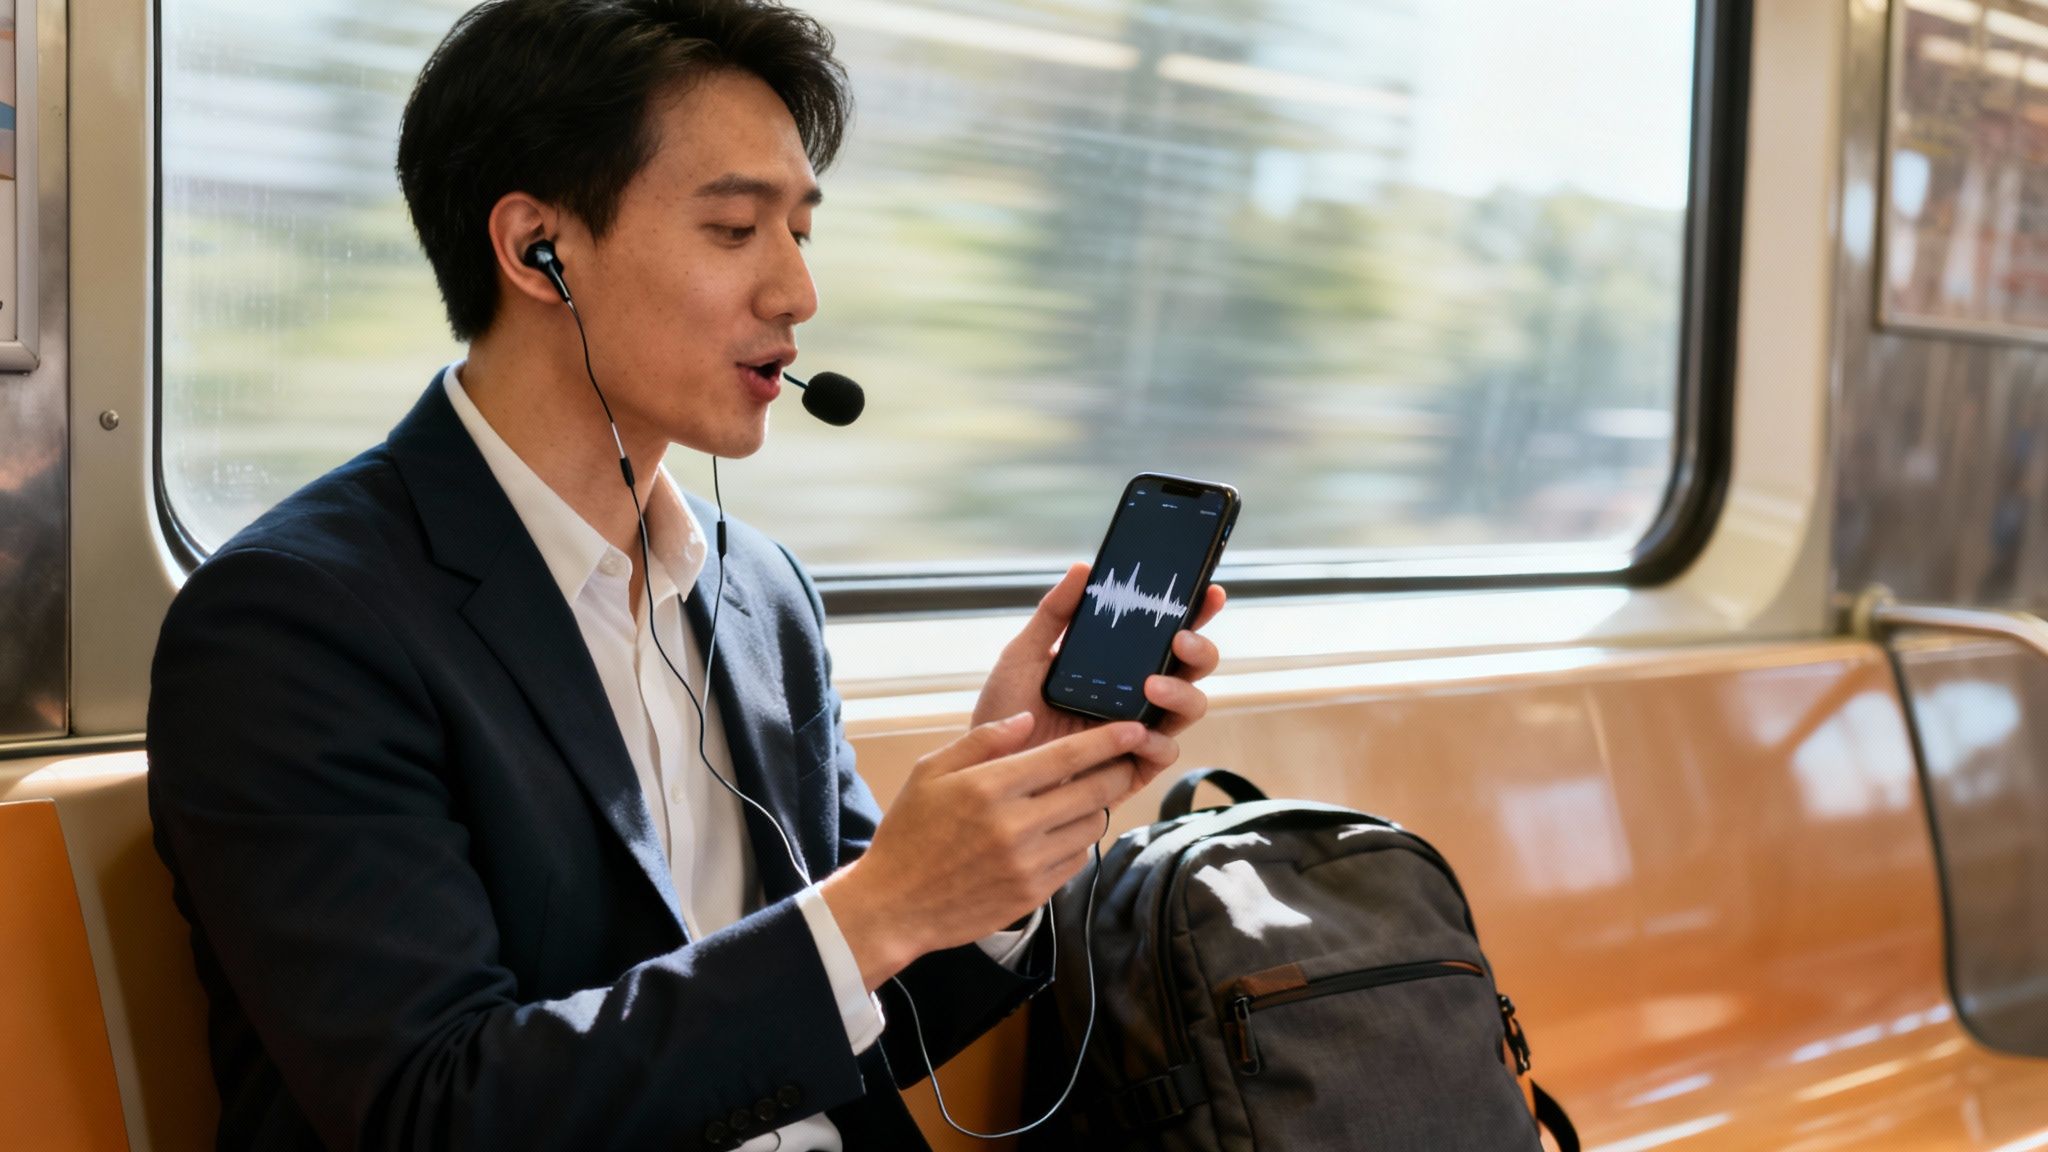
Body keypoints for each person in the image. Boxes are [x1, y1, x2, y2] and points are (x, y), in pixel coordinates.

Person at [144, 2, 1227, 1149]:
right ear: (535, 252)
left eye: (800, 234)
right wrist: (878, 907)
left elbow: (845, 1027)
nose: (796, 294)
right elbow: (435, 1110)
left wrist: (1007, 836)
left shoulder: (760, 596)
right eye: (733, 230)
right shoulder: (297, 623)